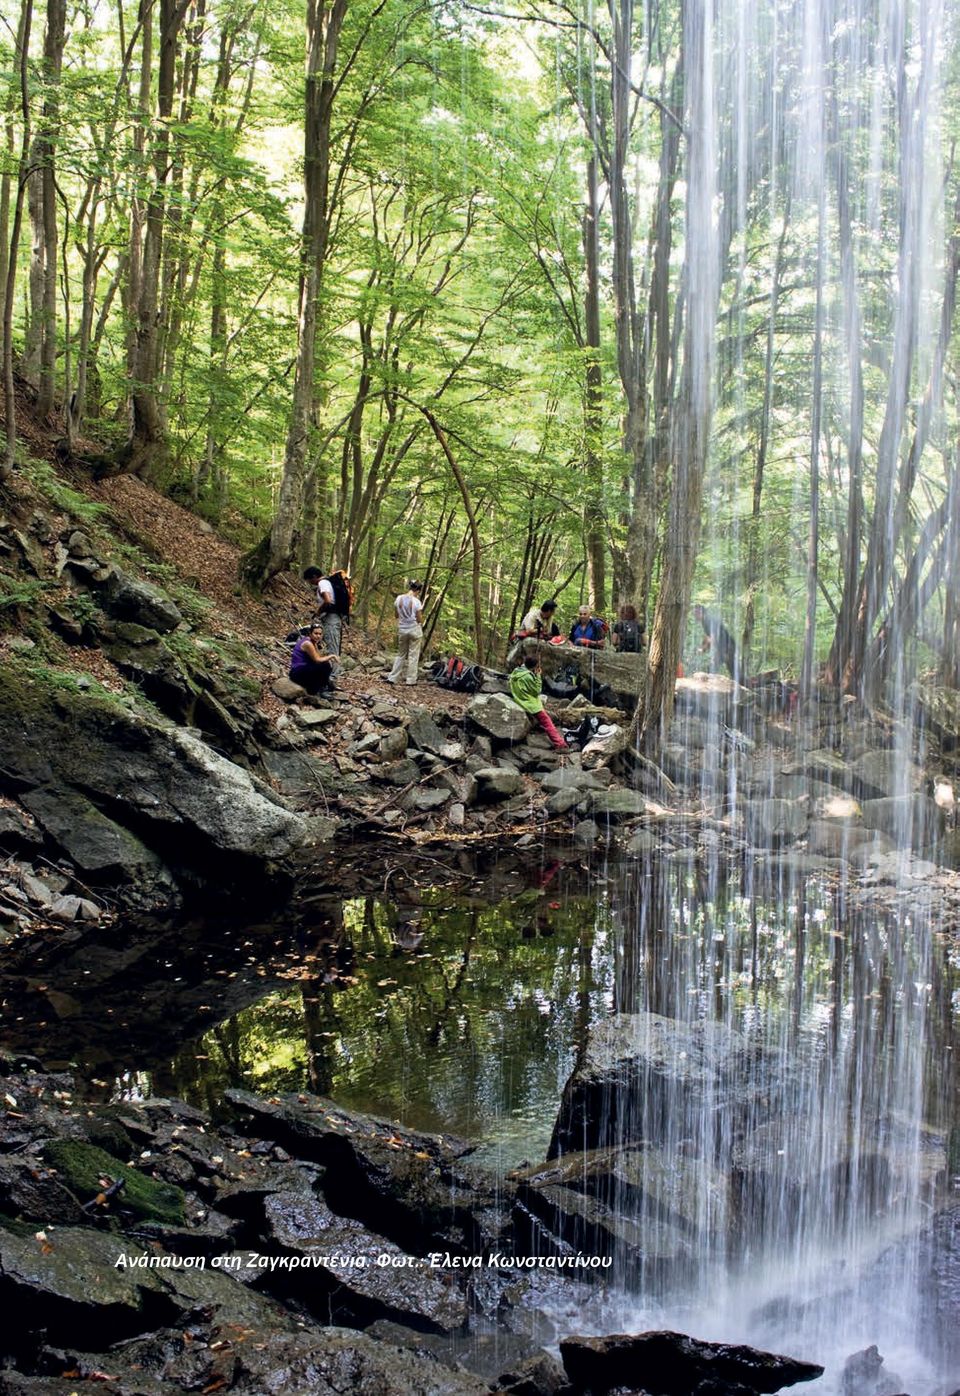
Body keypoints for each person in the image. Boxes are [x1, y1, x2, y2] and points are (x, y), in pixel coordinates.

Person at [509, 653, 569, 751]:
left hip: (519, 699)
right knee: (547, 722)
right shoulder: (528, 676)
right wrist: (538, 676)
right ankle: (560, 744)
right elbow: (537, 690)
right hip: (529, 704)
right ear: (534, 666)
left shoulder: (516, 671)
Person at [303, 566, 348, 661]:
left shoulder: (322, 583)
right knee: (331, 644)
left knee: (332, 645)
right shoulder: (327, 582)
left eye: (309, 580)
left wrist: (318, 611)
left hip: (331, 618)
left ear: (314, 576)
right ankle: (332, 671)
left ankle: (334, 674)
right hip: (334, 617)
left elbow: (328, 600)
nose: (309, 583)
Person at [386, 580, 424, 686]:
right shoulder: (417, 602)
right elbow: (419, 618)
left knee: (401, 654)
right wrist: (420, 623)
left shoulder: (399, 599)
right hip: (414, 629)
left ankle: (392, 677)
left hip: (402, 629)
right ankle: (411, 680)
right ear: (418, 590)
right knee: (413, 655)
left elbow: (396, 615)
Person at [693, 603, 738, 679]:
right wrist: (703, 647)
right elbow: (708, 637)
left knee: (715, 666)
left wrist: (702, 649)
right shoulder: (705, 621)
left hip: (727, 646)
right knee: (731, 669)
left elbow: (712, 638)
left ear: (700, 612)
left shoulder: (708, 620)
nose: (694, 616)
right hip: (726, 646)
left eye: (695, 613)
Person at [289, 624, 336, 696]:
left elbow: (318, 656)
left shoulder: (313, 642)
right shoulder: (308, 643)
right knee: (325, 665)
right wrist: (331, 656)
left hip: (304, 670)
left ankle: (319, 686)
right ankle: (320, 690)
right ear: (310, 633)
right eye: (316, 633)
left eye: (320, 634)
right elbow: (317, 659)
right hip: (297, 673)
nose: (318, 636)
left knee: (324, 665)